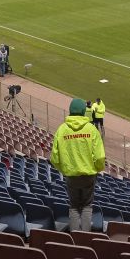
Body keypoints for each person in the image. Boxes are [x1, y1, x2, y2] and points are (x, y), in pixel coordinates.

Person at [50, 98, 105, 234]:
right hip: (88, 175)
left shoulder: (62, 130)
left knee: (74, 206)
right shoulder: (91, 130)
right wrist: (97, 169)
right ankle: (85, 236)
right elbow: (99, 156)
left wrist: (65, 170)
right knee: (87, 206)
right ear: (82, 112)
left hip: (71, 176)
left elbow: (54, 157)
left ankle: (74, 236)